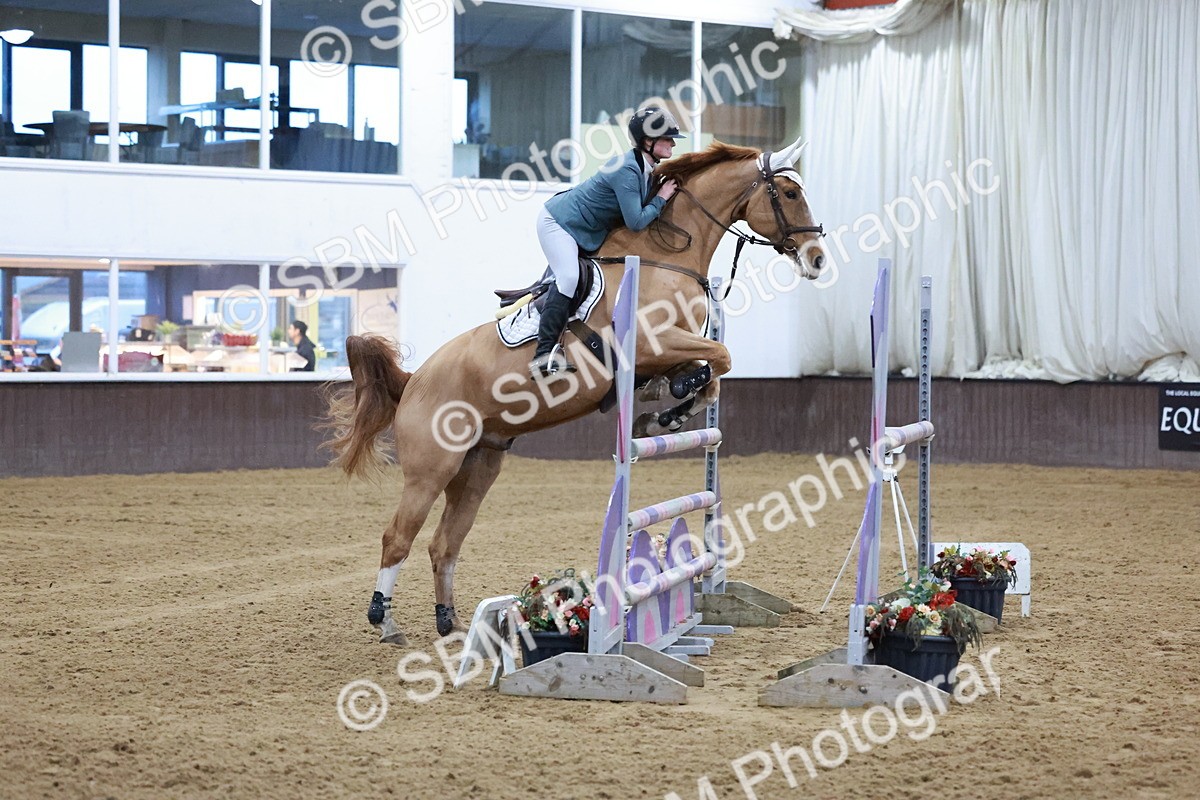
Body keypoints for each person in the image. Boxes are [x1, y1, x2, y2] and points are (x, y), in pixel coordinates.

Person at [530, 105, 683, 377]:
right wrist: (662, 197)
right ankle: (543, 357)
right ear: (648, 141)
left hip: (581, 227)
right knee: (568, 277)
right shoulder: (628, 168)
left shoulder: (644, 166)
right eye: (666, 138)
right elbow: (635, 222)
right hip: (559, 223)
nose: (672, 142)